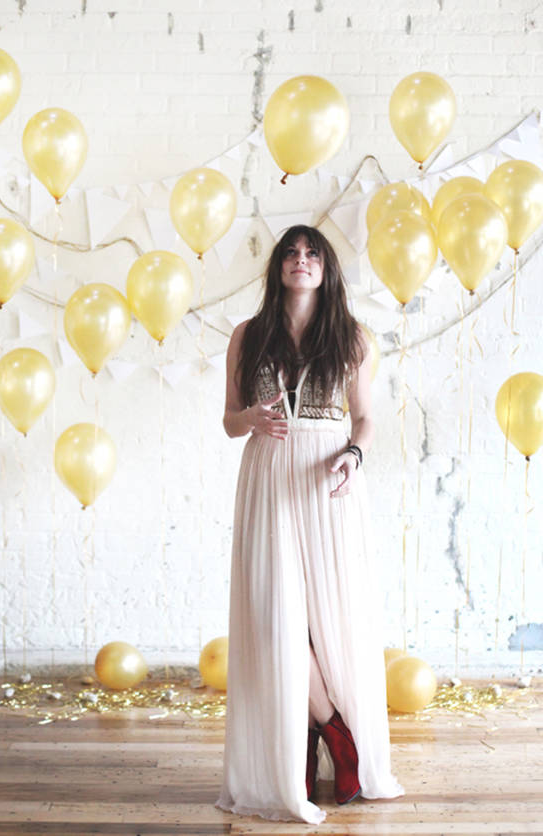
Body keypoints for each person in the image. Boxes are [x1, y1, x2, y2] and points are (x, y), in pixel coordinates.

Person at [215, 225, 404, 825]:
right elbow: (228, 420)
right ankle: (334, 729)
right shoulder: (247, 335)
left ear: (326, 268)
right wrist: (250, 415)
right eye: (292, 253)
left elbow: (367, 418)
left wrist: (354, 455)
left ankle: (310, 744)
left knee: (328, 622)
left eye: (313, 253)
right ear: (277, 268)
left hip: (328, 479)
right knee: (276, 620)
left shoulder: (351, 338)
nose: (301, 261)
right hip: (268, 476)